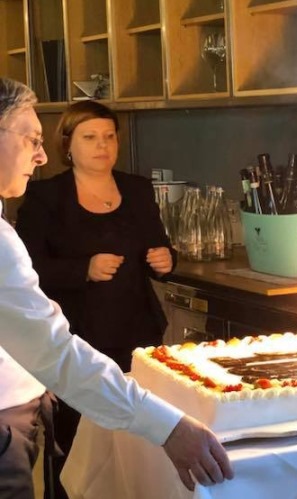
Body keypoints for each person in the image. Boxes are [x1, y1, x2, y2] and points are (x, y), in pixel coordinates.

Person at [0, 78, 233, 497]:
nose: (39, 155)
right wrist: (169, 427)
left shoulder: (134, 189)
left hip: (115, 342)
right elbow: (53, 350)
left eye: (110, 136)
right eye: (31, 139)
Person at [14, 100, 178, 498]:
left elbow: (158, 247)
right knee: (75, 446)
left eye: (109, 137)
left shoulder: (137, 189)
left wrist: (166, 259)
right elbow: (26, 271)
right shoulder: (45, 196)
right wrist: (82, 269)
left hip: (138, 336)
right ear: (67, 145)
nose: (102, 145)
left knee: (136, 442)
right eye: (90, 137)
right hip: (76, 339)